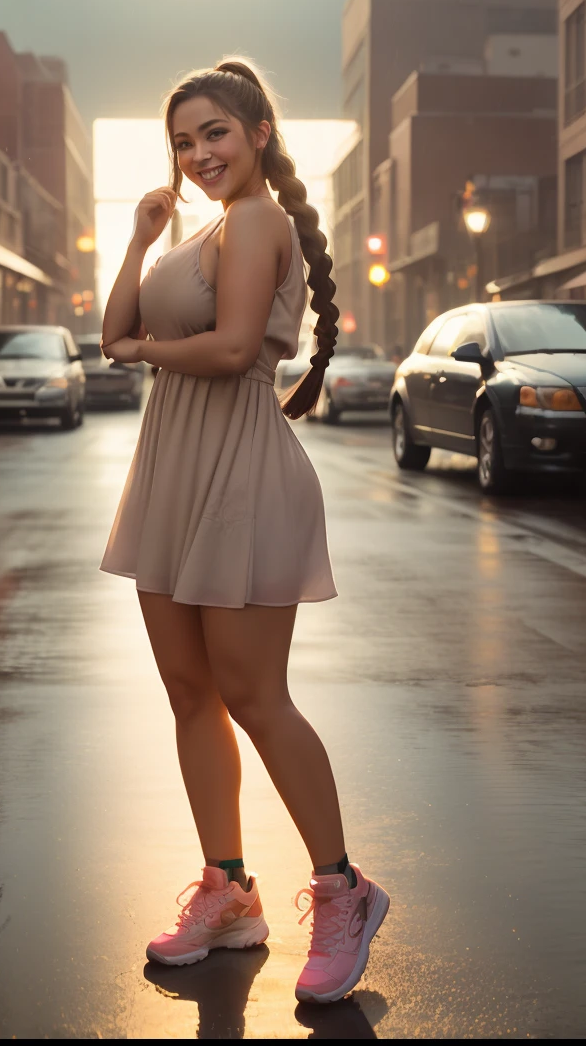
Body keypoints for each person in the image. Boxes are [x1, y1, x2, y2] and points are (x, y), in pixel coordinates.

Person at [96, 60, 385, 1005]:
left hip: (241, 474)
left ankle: (344, 891)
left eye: (215, 132)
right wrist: (140, 238)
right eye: (182, 140)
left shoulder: (261, 220)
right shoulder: (199, 228)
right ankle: (228, 891)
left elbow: (228, 351)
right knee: (191, 695)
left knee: (257, 697)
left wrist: (146, 350)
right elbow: (111, 333)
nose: (198, 153)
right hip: (175, 475)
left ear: (259, 132)